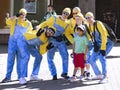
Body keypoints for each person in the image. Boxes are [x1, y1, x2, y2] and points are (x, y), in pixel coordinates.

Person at [36, 7, 71, 80]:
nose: (65, 15)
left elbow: (67, 34)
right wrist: (38, 27)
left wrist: (73, 41)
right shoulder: (54, 18)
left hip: (60, 41)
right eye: (64, 13)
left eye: (67, 14)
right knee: (50, 58)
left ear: (68, 15)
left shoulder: (67, 24)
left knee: (65, 56)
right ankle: (53, 74)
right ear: (62, 12)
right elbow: (45, 23)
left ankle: (64, 73)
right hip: (51, 41)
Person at [1, 8, 33, 84]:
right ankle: (8, 76)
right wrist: (15, 16)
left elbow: (30, 34)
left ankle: (20, 76)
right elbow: (7, 22)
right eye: (20, 14)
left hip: (22, 45)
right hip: (12, 43)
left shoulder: (28, 24)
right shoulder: (14, 20)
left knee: (21, 60)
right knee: (10, 60)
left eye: (23, 14)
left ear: (25, 15)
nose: (22, 16)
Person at [85, 12, 114, 83]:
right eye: (87, 18)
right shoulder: (88, 26)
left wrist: (103, 48)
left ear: (93, 17)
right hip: (98, 44)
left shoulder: (98, 24)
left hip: (107, 43)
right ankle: (98, 74)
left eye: (89, 17)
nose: (88, 19)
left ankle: (105, 76)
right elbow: (90, 37)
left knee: (102, 57)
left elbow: (104, 35)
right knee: (91, 60)